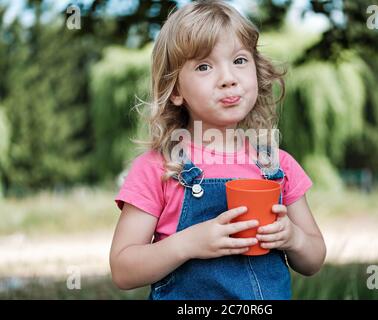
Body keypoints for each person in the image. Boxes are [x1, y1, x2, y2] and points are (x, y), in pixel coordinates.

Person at [110, 0, 326, 300]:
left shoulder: (277, 165)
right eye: (204, 66)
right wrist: (186, 244)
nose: (228, 78)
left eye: (239, 60)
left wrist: (294, 238)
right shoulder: (159, 168)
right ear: (175, 90)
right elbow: (123, 269)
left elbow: (314, 259)